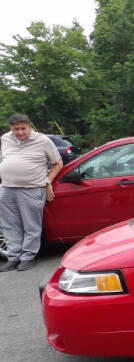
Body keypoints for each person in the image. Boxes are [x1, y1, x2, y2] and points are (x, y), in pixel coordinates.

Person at [0, 114, 63, 271]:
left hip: (32, 189)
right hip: (7, 188)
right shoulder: (5, 139)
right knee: (9, 225)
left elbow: (58, 163)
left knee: (31, 226)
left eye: (23, 128)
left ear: (30, 127)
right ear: (10, 129)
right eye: (16, 129)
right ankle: (14, 257)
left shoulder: (42, 140)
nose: (20, 132)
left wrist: (47, 181)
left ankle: (28, 256)